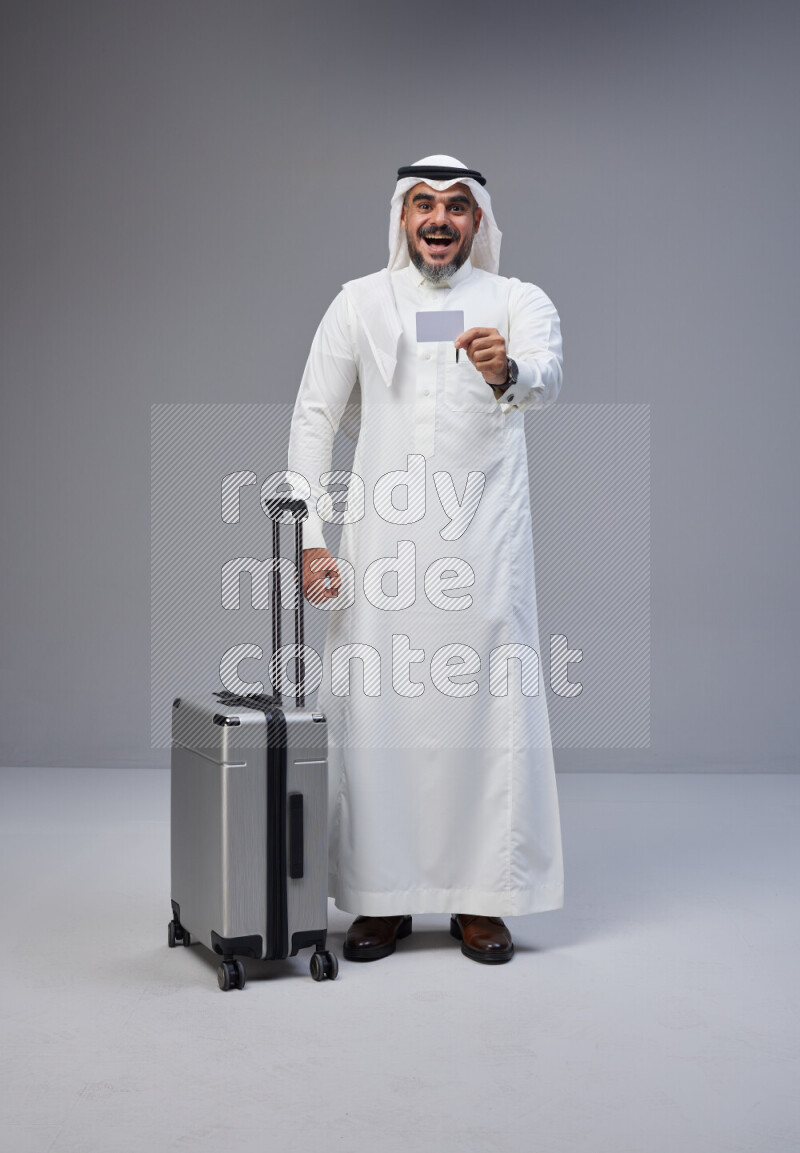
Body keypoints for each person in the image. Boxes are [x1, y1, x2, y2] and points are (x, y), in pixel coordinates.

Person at [287, 154, 564, 964]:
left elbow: (547, 376)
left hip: (485, 547)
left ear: (478, 221)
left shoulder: (517, 300)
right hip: (380, 549)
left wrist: (505, 369)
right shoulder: (359, 303)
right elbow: (312, 418)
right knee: (379, 717)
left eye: (454, 206)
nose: (438, 220)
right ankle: (382, 897)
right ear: (402, 218)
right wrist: (310, 537)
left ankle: (482, 902)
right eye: (422, 205)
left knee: (487, 713)